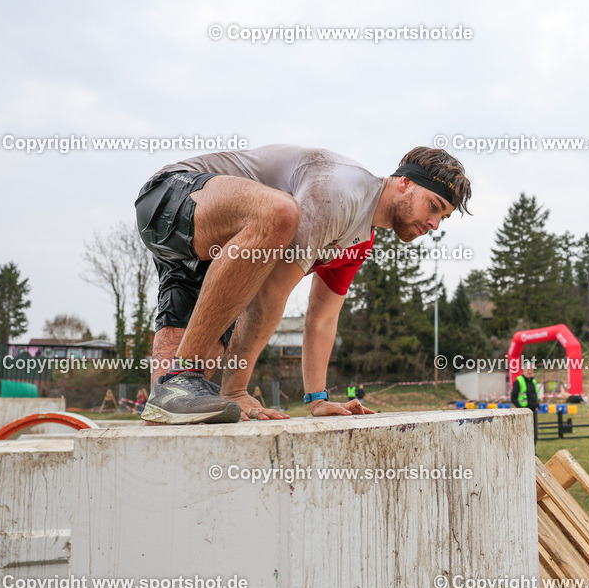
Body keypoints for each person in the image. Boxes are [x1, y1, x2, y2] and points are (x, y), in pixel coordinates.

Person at [134, 145, 471, 424]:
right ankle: (184, 375)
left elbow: (322, 318)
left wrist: (317, 398)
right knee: (280, 213)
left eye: (443, 217)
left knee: (174, 409)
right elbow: (269, 294)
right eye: (434, 206)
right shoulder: (343, 194)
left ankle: (171, 389)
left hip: (202, 249)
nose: (434, 224)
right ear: (404, 184)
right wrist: (236, 390)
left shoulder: (358, 242)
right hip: (175, 194)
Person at [511, 365, 540, 443]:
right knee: (525, 433)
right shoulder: (519, 381)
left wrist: (537, 405)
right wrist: (521, 408)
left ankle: (534, 452)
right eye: (528, 370)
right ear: (523, 371)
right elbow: (513, 398)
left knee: (534, 433)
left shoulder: (533, 381)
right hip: (524, 412)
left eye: (531, 370)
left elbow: (535, 395)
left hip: (533, 411)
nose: (530, 372)